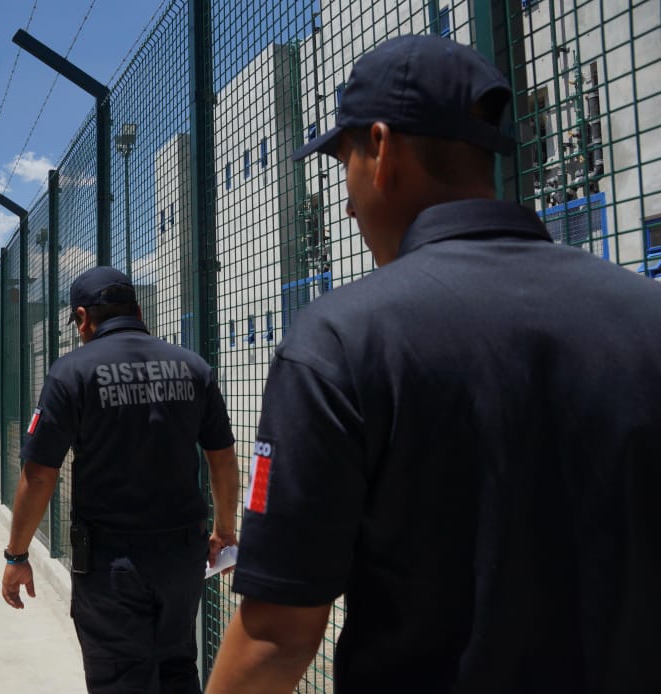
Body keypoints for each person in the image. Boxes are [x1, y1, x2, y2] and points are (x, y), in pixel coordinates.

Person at [207, 34, 661, 694]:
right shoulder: (646, 314)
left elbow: (277, 634)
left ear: (382, 150)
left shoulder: (342, 339)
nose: (346, 200)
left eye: (345, 163)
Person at [1, 266, 239, 693]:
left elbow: (38, 476)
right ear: (138, 311)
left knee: (119, 678)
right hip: (182, 556)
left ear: (82, 317)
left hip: (111, 563)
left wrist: (17, 556)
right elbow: (221, 459)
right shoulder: (192, 367)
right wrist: (225, 531)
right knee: (177, 667)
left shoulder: (71, 373)